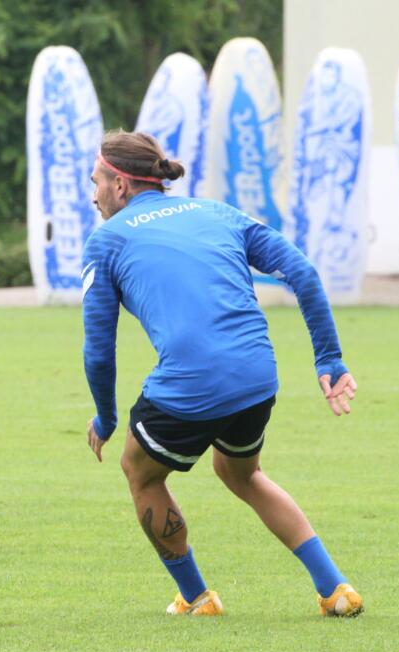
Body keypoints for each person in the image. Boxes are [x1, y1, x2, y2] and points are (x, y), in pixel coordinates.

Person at [82, 130, 363, 617]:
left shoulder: (106, 241)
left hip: (190, 384)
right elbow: (302, 272)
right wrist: (329, 359)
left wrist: (105, 418)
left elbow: (99, 351)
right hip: (257, 375)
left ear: (120, 185)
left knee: (140, 471)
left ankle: (197, 597)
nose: (93, 196)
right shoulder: (216, 212)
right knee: (240, 472)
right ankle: (335, 588)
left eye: (96, 183)